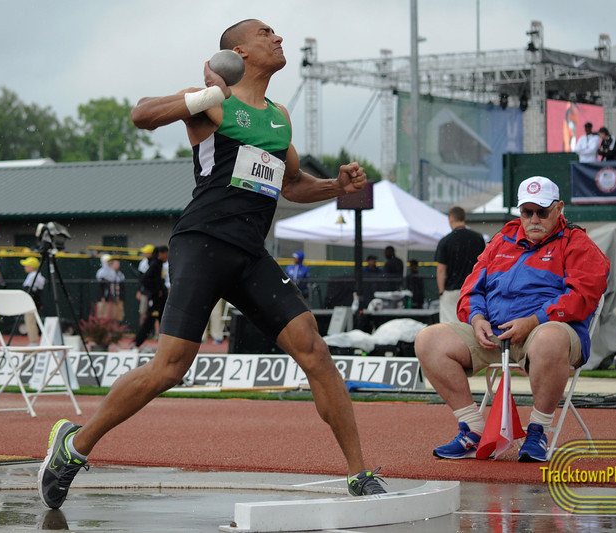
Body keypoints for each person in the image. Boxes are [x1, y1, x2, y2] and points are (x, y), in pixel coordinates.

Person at [38, 19, 386, 510]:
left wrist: (336, 187)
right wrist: (202, 97)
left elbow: (291, 184)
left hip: (250, 254)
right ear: (239, 51)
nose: (279, 38)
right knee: (171, 368)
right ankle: (73, 447)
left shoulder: (279, 116)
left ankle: (359, 473)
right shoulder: (214, 101)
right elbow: (141, 115)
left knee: (315, 352)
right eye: (268, 32)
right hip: (202, 243)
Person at [416, 176, 609, 462]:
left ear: (559, 209)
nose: (533, 219)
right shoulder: (502, 240)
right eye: (526, 212)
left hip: (547, 332)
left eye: (542, 212)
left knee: (550, 338)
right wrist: (477, 317)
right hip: (494, 333)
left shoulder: (576, 242)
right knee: (427, 339)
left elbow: (583, 296)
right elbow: (471, 288)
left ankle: (538, 432)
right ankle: (473, 428)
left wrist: (534, 321)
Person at [435, 206, 485, 324]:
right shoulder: (478, 238)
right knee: (471, 325)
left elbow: (441, 269)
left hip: (452, 291)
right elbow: (484, 264)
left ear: (450, 218)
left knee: (450, 327)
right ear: (465, 218)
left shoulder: (446, 241)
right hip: (473, 289)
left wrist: (441, 292)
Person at [133, 245, 169, 346]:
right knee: (150, 319)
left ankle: (164, 342)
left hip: (161, 298)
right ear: (161, 254)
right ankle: (137, 341)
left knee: (162, 319)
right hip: (156, 298)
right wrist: (156, 291)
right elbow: (145, 279)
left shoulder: (160, 264)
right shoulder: (155, 264)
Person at [20, 257, 46, 345]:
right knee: (32, 321)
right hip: (35, 302)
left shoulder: (33, 276)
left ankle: (33, 341)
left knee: (30, 322)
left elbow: (32, 291)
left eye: (27, 265)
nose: (25, 267)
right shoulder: (38, 276)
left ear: (31, 267)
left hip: (31, 303)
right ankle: (34, 340)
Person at [95, 254, 125, 321]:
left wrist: (116, 297)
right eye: (108, 261)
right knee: (103, 317)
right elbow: (101, 287)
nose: (110, 262)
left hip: (112, 298)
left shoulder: (114, 273)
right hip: (104, 299)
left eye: (110, 261)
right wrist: (102, 297)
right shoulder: (101, 273)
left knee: (113, 317)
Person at [136, 244, 154, 324]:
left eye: (146, 252)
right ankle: (142, 330)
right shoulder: (143, 263)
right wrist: (139, 291)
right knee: (143, 311)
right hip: (145, 291)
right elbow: (140, 279)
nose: (144, 254)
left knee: (155, 313)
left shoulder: (156, 262)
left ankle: (156, 333)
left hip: (154, 292)